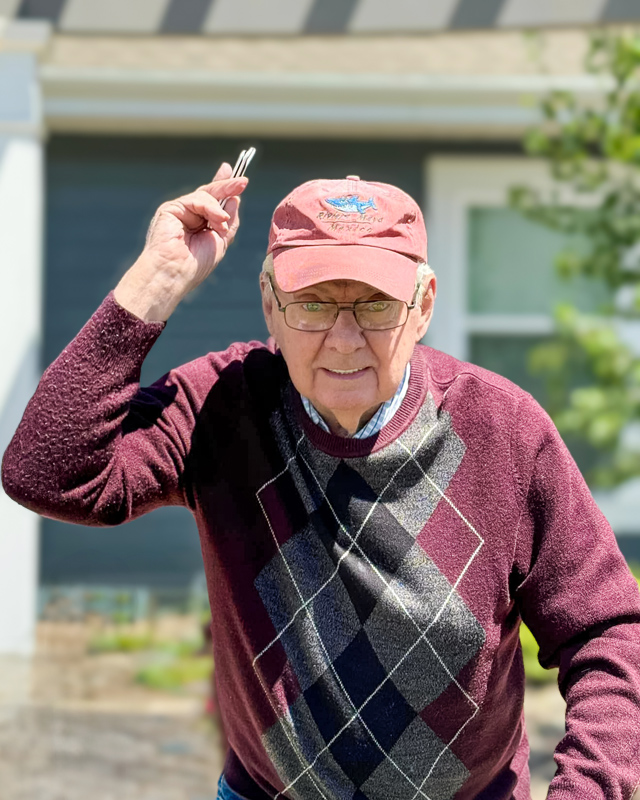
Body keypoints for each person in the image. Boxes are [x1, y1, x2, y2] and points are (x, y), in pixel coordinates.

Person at [3, 162, 640, 800]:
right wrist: (158, 279)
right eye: (312, 304)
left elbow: (608, 631)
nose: (343, 339)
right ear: (270, 305)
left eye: (375, 304)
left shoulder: (503, 430)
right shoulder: (223, 405)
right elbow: (48, 472)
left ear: (422, 305)